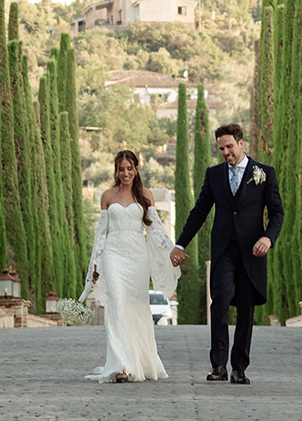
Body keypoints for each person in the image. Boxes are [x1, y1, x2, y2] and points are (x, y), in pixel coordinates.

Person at [171, 121, 284, 385]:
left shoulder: (264, 173)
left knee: (246, 308)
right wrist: (180, 244)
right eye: (221, 148)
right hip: (224, 251)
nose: (225, 153)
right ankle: (218, 365)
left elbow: (277, 212)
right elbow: (199, 212)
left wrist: (268, 237)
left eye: (229, 147)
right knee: (219, 304)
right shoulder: (214, 175)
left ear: (241, 143)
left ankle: (239, 367)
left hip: (252, 251)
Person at [81, 149, 178, 382]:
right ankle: (121, 365)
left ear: (136, 169)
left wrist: (172, 249)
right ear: (116, 171)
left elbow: (156, 229)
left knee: (136, 307)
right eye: (121, 169)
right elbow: (100, 235)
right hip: (114, 255)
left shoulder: (146, 196)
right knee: (117, 305)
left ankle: (140, 361)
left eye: (129, 168)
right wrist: (95, 264)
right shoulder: (107, 196)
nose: (125, 173)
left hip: (137, 257)